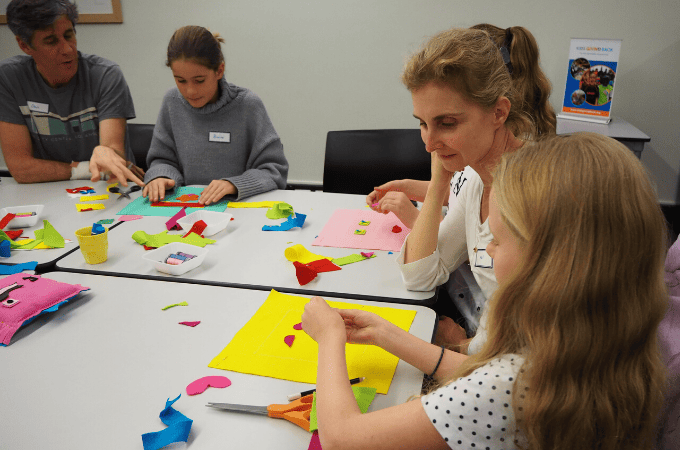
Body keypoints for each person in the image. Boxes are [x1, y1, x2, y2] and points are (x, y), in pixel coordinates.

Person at [302, 132, 668, 450]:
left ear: (552, 263)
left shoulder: (511, 387)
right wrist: (388, 335)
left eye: (499, 238)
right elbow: (481, 370)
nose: (487, 249)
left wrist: (329, 338)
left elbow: (344, 438)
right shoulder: (593, 339)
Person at [370, 26, 552, 352]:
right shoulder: (473, 179)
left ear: (499, 112)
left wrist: (460, 347)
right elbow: (420, 274)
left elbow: (534, 345)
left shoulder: (534, 190)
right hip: (492, 351)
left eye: (447, 123)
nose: (428, 143)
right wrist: (440, 177)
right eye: (423, 123)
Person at [0, 0, 143, 185]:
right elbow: (22, 169)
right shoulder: (9, 78)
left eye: (69, 35)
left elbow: (111, 158)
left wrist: (106, 153)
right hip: (47, 191)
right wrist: (84, 168)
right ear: (24, 45)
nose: (68, 49)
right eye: (51, 42)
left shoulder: (105, 74)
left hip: (106, 187)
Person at [142, 26, 288, 205]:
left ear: (219, 70)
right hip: (187, 210)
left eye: (199, 80)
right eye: (180, 80)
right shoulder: (172, 102)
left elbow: (274, 170)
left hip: (239, 209)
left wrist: (234, 184)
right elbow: (161, 159)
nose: (190, 90)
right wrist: (160, 175)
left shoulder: (248, 105)